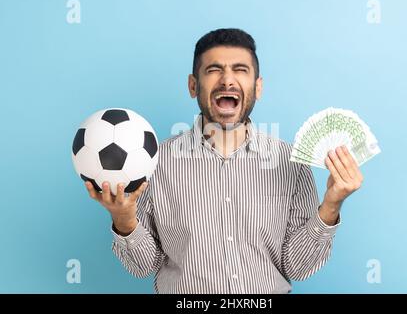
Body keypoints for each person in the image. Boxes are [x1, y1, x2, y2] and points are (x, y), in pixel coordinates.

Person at [85, 28, 364, 294]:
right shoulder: (154, 162)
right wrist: (123, 219)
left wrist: (330, 206)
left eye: (240, 70)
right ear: (193, 85)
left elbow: (298, 267)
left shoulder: (290, 162)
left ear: (257, 87)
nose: (227, 80)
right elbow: (144, 266)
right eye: (214, 69)